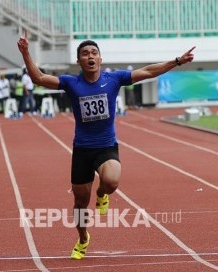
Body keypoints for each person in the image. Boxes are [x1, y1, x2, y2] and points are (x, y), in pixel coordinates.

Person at [17, 30, 195, 260]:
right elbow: (39, 79)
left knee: (111, 182)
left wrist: (177, 61)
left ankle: (102, 193)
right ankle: (83, 238)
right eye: (85, 53)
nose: (90, 56)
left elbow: (148, 71)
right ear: (79, 61)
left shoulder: (114, 79)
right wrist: (25, 53)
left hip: (106, 146)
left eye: (94, 52)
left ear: (100, 59)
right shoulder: (71, 83)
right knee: (80, 203)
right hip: (82, 149)